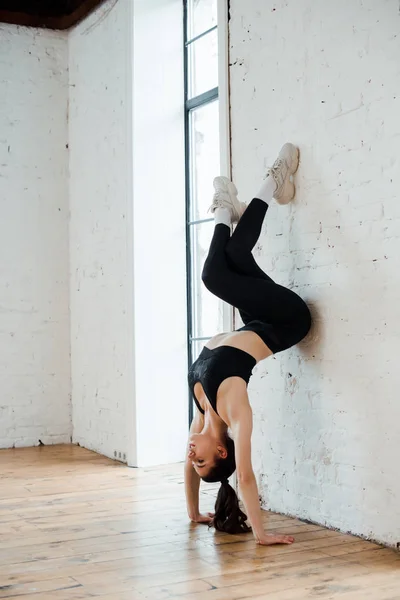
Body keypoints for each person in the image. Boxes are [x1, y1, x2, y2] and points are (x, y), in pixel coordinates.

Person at [185, 143, 312, 546]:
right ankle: (262, 184)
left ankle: (237, 206)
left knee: (236, 252)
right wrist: (261, 534)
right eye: (202, 459)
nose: (192, 456)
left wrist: (193, 511)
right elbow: (246, 476)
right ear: (222, 452)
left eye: (194, 461)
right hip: (288, 319)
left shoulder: (201, 406)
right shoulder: (234, 411)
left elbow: (188, 469)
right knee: (213, 276)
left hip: (257, 318)